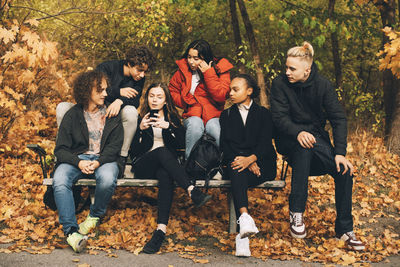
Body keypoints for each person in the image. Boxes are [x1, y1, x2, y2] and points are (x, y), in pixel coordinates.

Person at [270, 42, 365, 251]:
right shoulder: (279, 84)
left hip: (316, 138)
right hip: (288, 138)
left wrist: (340, 153)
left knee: (344, 171)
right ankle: (296, 212)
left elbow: (339, 119)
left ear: (307, 69)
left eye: (292, 69)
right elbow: (277, 118)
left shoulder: (323, 85)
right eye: (286, 67)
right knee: (303, 146)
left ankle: (344, 230)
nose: (287, 72)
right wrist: (297, 132)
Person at [130, 83, 212, 254]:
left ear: (166, 100)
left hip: (166, 165)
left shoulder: (172, 119)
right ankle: (191, 189)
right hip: (144, 165)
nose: (154, 100)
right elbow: (134, 152)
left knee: (165, 174)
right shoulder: (140, 117)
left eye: (159, 96)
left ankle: (160, 230)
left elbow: (181, 145)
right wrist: (140, 129)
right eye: (152, 95)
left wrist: (168, 127)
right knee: (161, 152)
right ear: (147, 97)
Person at [56, 46, 155, 176]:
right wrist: (119, 92)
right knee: (62, 107)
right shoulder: (107, 67)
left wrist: (119, 102)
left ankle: (122, 157)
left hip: (113, 116)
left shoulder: (139, 79)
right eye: (139, 70)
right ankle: (65, 153)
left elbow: (135, 100)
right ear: (130, 63)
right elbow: (92, 87)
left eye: (145, 72)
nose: (142, 75)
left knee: (131, 112)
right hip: (90, 108)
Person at [53, 70, 123, 253]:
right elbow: (60, 149)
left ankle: (94, 216)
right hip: (78, 159)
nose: (105, 94)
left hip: (104, 159)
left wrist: (99, 162)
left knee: (107, 178)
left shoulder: (111, 113)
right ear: (87, 91)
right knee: (59, 180)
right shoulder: (73, 115)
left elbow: (115, 146)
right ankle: (71, 232)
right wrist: (78, 162)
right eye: (100, 90)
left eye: (106, 90)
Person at [220, 74, 277, 257]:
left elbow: (265, 144)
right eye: (230, 89)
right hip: (238, 163)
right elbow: (226, 145)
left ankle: (243, 229)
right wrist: (245, 160)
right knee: (236, 170)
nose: (231, 93)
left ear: (249, 91)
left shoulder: (264, 114)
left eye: (235, 89)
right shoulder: (227, 115)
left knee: (238, 171)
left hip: (263, 165)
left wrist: (252, 159)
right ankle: (244, 224)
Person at [169, 39, 233, 159]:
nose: (191, 62)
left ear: (205, 58)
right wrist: (186, 102)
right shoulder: (183, 70)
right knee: (195, 125)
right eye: (189, 57)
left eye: (196, 58)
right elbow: (172, 91)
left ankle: (219, 166)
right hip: (192, 115)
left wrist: (209, 73)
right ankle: (189, 165)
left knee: (215, 130)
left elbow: (221, 95)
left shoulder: (220, 69)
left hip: (214, 115)